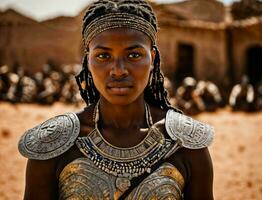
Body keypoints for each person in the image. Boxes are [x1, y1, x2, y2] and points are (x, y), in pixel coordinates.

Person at [18, 0, 214, 199]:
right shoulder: (53, 145)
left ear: (153, 58)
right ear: (88, 61)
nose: (119, 70)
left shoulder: (186, 145)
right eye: (103, 55)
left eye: (134, 55)